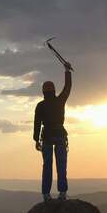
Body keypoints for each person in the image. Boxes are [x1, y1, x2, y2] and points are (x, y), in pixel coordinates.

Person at [33, 61, 72, 201]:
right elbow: (67, 87)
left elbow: (37, 123)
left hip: (47, 136)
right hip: (60, 134)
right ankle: (62, 193)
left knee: (47, 166)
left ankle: (46, 194)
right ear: (54, 90)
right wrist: (67, 71)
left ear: (43, 91)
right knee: (61, 165)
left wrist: (36, 140)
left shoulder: (40, 106)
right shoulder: (60, 101)